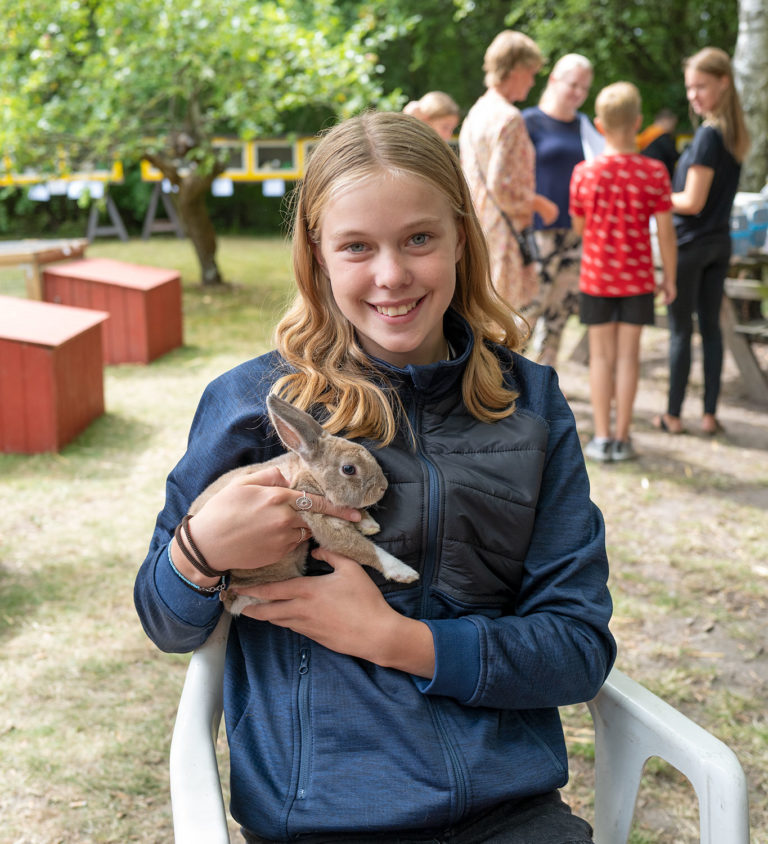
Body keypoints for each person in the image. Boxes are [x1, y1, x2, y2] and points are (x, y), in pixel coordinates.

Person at [134, 111, 615, 844]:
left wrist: (394, 639)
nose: (392, 275)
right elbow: (165, 621)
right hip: (327, 821)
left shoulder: (532, 404)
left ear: (461, 234)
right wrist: (197, 551)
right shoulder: (251, 405)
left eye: (419, 238)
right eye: (357, 246)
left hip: (512, 818)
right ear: (317, 256)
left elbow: (577, 649)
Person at [570, 82, 677, 463]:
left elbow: (579, 228)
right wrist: (671, 277)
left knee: (601, 358)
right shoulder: (654, 172)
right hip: (638, 280)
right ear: (638, 122)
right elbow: (665, 231)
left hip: (597, 278)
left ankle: (601, 438)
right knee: (629, 358)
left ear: (599, 125)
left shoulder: (584, 173)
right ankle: (623, 436)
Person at [653, 47, 750, 437]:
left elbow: (692, 201)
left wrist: (654, 196)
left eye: (701, 86)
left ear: (723, 82)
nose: (693, 95)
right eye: (690, 87)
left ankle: (673, 415)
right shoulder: (733, 132)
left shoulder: (709, 135)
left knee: (681, 331)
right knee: (710, 329)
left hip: (691, 245)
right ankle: (709, 415)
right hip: (719, 243)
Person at [459, 30, 558, 317]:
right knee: (506, 325)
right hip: (505, 238)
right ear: (514, 69)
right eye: (530, 71)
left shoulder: (476, 113)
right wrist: (540, 203)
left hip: (479, 232)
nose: (532, 79)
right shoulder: (509, 118)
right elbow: (502, 187)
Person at [522, 54, 604, 366]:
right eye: (573, 85)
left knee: (560, 310)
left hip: (577, 231)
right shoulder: (529, 121)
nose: (579, 93)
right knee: (529, 307)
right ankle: (507, 378)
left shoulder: (585, 127)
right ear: (554, 79)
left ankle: (545, 379)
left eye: (584, 88)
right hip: (538, 231)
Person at [636, 107, 680, 180]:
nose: (673, 128)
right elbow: (673, 155)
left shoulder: (648, 133)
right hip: (659, 175)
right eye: (673, 124)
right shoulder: (662, 136)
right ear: (666, 120)